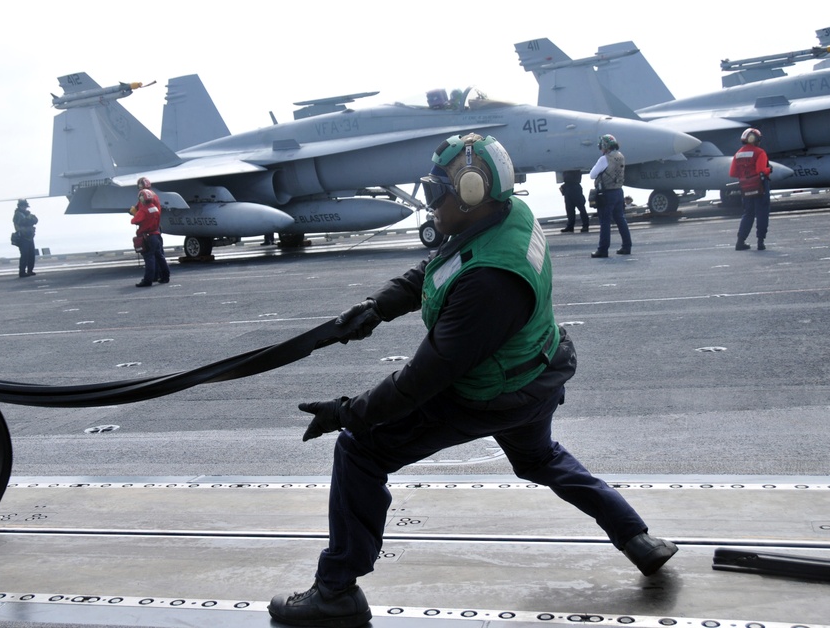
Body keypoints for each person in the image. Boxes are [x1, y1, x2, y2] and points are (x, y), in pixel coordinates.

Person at [267, 134, 677, 628]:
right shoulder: (507, 218)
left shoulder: (490, 284)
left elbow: (423, 379)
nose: (430, 201)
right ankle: (636, 536)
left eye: (437, 191)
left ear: (471, 194)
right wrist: (379, 306)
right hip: (536, 371)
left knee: (360, 450)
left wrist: (348, 412)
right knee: (540, 458)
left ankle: (336, 592)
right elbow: (439, 267)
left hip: (488, 393)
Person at [589, 134, 632, 258]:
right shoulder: (620, 156)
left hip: (606, 193)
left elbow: (592, 174)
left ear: (604, 146)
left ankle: (603, 250)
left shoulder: (604, 159)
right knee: (620, 219)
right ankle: (626, 246)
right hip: (618, 192)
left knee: (605, 222)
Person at [730, 128, 773, 251]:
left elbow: (732, 172)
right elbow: (761, 170)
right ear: (757, 139)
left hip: (745, 187)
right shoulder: (760, 152)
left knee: (748, 213)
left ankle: (740, 241)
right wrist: (769, 169)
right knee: (762, 213)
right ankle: (760, 242)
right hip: (760, 186)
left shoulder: (737, 154)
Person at [130, 178, 170, 287]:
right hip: (156, 232)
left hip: (148, 235)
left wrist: (134, 213)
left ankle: (149, 279)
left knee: (149, 258)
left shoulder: (144, 208)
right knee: (159, 256)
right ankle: (165, 276)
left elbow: (135, 220)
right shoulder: (154, 204)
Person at [12, 199, 38, 277]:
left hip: (29, 236)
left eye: (25, 206)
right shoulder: (18, 215)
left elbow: (35, 220)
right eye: (23, 206)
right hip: (23, 237)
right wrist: (30, 218)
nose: (24, 208)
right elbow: (24, 222)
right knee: (24, 254)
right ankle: (22, 271)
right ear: (20, 206)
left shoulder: (27, 214)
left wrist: (30, 218)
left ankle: (30, 270)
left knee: (31, 254)